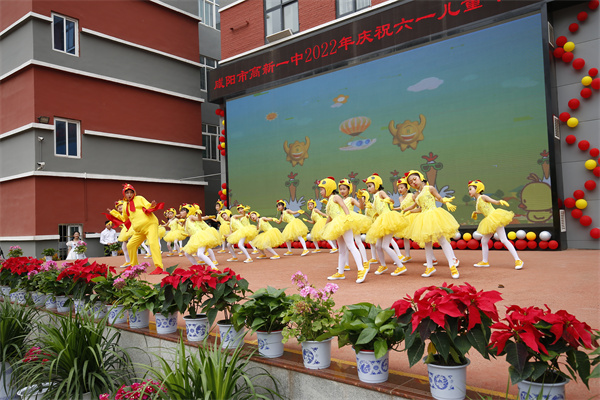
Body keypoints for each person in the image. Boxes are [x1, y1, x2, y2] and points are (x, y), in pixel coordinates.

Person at [403, 170, 460, 279]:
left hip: (434, 216)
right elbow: (419, 208)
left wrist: (446, 202)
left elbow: (439, 198)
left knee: (442, 240)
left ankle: (452, 266)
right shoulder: (416, 195)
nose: (413, 182)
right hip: (424, 218)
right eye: (410, 182)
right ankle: (430, 267)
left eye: (414, 179)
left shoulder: (430, 188)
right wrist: (409, 211)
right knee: (427, 243)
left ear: (420, 178)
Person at [319, 177, 367, 284]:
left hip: (344, 222)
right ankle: (340, 273)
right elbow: (330, 216)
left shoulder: (336, 197)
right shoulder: (329, 201)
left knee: (351, 246)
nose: (321, 192)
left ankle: (361, 269)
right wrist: (325, 228)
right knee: (341, 250)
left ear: (328, 188)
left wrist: (348, 217)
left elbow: (344, 206)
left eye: (322, 189)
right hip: (337, 225)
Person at [468, 180, 524, 270]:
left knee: (504, 240)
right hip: (489, 221)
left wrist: (499, 201)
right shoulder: (478, 200)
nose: (469, 191)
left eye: (471, 189)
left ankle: (518, 260)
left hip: (495, 218)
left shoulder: (483, 197)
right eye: (469, 189)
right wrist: (475, 212)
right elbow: (483, 209)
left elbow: (494, 202)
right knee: (484, 241)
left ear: (477, 189)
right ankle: (485, 261)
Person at [363, 174, 408, 277]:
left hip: (387, 218)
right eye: (367, 186)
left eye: (370, 186)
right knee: (378, 246)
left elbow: (391, 200)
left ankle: (400, 266)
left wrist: (388, 200)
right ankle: (383, 265)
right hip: (381, 220)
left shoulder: (381, 193)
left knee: (384, 246)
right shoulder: (374, 196)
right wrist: (373, 209)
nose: (368, 188)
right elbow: (377, 209)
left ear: (377, 185)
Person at [119, 183, 165, 275]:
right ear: (124, 194)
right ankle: (134, 265)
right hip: (139, 230)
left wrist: (152, 206)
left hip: (150, 224)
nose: (129, 194)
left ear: (134, 193)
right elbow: (124, 218)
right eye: (127, 193)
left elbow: (148, 206)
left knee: (153, 243)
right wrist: (114, 214)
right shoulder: (124, 206)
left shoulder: (139, 198)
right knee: (130, 245)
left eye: (131, 192)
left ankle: (159, 267)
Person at [339, 178, 371, 271]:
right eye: (340, 189)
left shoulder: (351, 199)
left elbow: (361, 206)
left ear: (349, 189)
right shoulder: (339, 200)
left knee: (358, 241)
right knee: (345, 244)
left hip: (353, 221)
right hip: (343, 222)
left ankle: (365, 262)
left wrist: (360, 198)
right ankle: (346, 264)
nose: (342, 191)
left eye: (344, 189)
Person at [180, 204, 220, 269]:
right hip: (194, 237)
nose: (180, 212)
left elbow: (199, 219)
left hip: (200, 236)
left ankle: (214, 267)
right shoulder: (186, 220)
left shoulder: (191, 217)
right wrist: (187, 235)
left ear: (188, 211)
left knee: (200, 254)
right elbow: (190, 232)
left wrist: (199, 214)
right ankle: (197, 267)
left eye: (182, 211)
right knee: (187, 253)